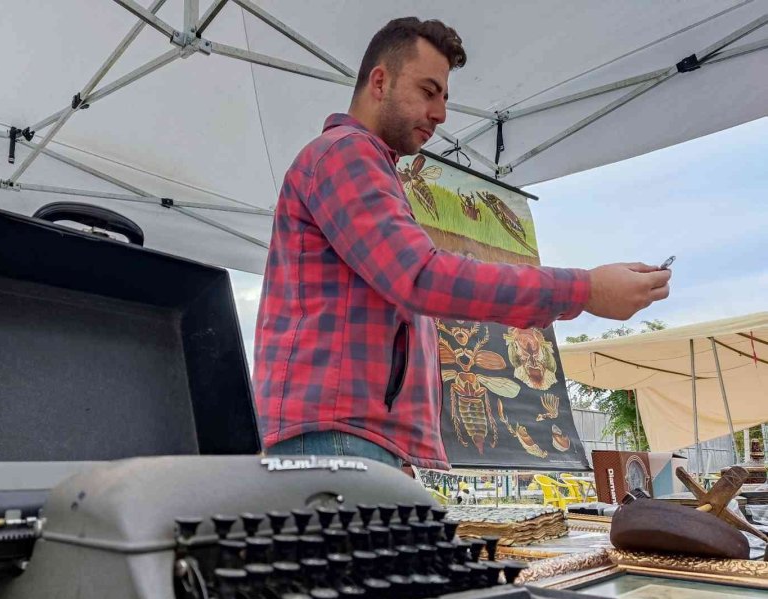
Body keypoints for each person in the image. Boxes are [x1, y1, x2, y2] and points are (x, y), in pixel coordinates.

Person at [253, 17, 670, 471]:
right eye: (428, 91)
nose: (441, 114)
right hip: (340, 437)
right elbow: (421, 276)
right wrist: (584, 290)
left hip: (354, 437)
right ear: (380, 81)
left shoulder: (366, 165)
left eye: (445, 98)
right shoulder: (344, 153)